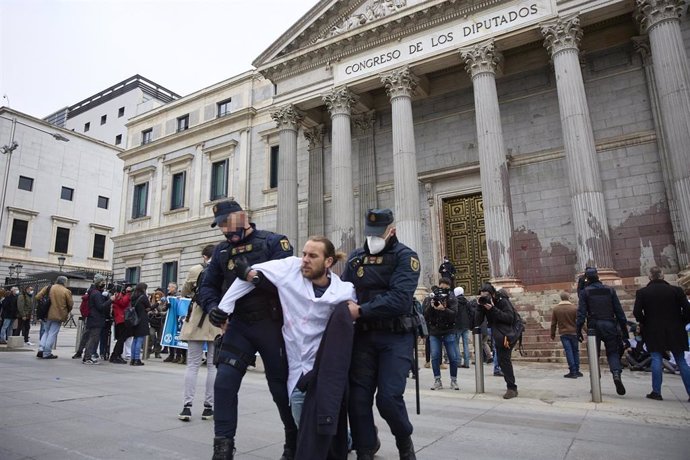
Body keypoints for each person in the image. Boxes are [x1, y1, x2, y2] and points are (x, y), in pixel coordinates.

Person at [219, 236, 356, 459]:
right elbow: (249, 273)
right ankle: (350, 439)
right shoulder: (290, 268)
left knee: (320, 424)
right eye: (304, 254)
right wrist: (225, 307)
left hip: (322, 366)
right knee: (301, 418)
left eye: (313, 256)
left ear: (328, 261)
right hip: (295, 364)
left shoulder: (344, 290)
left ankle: (340, 443)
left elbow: (353, 321)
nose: (305, 260)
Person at [201, 200, 297, 460]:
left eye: (227, 222)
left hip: (272, 325)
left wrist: (254, 276)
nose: (224, 229)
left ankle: (293, 442)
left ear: (243, 217)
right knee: (224, 384)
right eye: (220, 225)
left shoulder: (274, 243)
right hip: (239, 327)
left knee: (280, 388)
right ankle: (222, 449)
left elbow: (290, 283)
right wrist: (212, 309)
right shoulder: (221, 252)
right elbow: (207, 287)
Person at [342, 208, 421, 460]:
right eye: (370, 234)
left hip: (395, 337)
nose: (373, 238)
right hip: (363, 338)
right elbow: (344, 290)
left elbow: (399, 299)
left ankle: (403, 440)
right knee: (357, 399)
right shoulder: (355, 258)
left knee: (388, 398)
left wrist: (361, 311)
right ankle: (365, 449)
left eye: (379, 234)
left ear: (391, 231)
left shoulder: (405, 257)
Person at [633, 267, 690, 402]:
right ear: (663, 277)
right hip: (676, 329)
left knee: (656, 359)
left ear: (650, 277)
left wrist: (644, 322)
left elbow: (637, 312)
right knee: (681, 360)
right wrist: (681, 321)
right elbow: (687, 310)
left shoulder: (643, 292)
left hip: (653, 330)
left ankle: (656, 392)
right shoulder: (676, 290)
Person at [178, 244, 221, 422]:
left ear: (204, 256)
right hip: (216, 317)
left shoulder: (196, 269)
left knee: (193, 364)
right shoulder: (223, 269)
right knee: (212, 365)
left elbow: (185, 291)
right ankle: (208, 407)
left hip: (196, 318)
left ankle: (187, 407)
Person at [576, 267, 629, 396]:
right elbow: (620, 312)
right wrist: (624, 331)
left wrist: (578, 330)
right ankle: (616, 374)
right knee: (613, 353)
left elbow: (581, 314)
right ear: (598, 276)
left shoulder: (585, 292)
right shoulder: (610, 290)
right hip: (610, 323)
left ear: (587, 278)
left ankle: (595, 383)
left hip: (594, 326)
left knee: (594, 355)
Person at [474, 283, 519, 399]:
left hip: (509, 333)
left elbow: (509, 318)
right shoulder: (484, 304)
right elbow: (476, 322)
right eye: (482, 295)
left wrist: (493, 309)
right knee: (501, 359)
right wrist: (479, 307)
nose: (485, 297)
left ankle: (512, 388)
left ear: (493, 294)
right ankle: (511, 386)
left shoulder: (502, 301)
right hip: (498, 334)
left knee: (504, 359)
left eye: (487, 295)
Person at [423, 278, 459, 390]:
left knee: (453, 357)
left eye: (445, 289)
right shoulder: (432, 297)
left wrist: (444, 309)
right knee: (435, 356)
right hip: (434, 331)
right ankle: (437, 380)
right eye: (441, 288)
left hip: (449, 331)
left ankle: (454, 380)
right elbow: (425, 315)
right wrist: (432, 306)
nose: (443, 291)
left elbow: (454, 314)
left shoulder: (452, 298)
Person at [35, 276, 73, 359]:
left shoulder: (48, 287)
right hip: (58, 314)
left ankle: (41, 348)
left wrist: (44, 303)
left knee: (46, 332)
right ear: (64, 282)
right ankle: (47, 352)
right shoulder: (66, 291)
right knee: (52, 333)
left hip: (46, 313)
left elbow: (37, 297)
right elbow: (70, 304)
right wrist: (66, 311)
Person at [82, 274, 112, 365]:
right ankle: (87, 357)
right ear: (99, 283)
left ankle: (87, 356)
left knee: (91, 338)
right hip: (96, 319)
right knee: (93, 339)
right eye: (103, 282)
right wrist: (111, 300)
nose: (104, 284)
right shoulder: (96, 294)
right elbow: (101, 307)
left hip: (92, 318)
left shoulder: (93, 292)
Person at [550, 291, 582, 378]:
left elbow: (553, 323)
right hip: (574, 333)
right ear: (568, 298)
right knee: (575, 351)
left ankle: (572, 371)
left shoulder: (556, 309)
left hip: (564, 333)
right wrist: (587, 331)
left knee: (569, 352)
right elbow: (580, 321)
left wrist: (552, 334)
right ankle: (577, 370)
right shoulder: (574, 308)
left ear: (561, 298)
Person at [109, 285, 132, 364]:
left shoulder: (118, 295)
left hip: (120, 319)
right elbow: (123, 303)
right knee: (121, 339)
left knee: (121, 339)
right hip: (121, 319)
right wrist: (128, 293)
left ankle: (116, 355)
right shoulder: (118, 295)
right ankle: (116, 355)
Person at [129, 282, 151, 366]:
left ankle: (132, 359)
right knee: (139, 340)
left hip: (134, 320)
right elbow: (149, 307)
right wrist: (157, 304)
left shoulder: (133, 296)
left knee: (134, 340)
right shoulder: (143, 297)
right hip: (142, 320)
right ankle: (137, 359)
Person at [454, 286, 471, 368]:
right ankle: (467, 362)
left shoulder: (455, 302)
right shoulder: (466, 301)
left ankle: (458, 361)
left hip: (458, 325)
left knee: (456, 344)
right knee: (466, 344)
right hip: (466, 325)